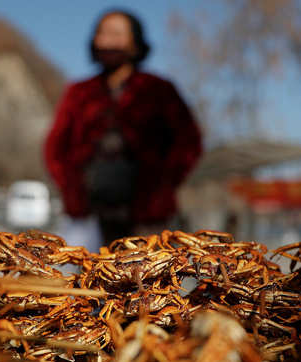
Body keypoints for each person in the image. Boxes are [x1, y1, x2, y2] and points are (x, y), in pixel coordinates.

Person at [44, 9, 202, 246]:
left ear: (135, 43)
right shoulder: (79, 92)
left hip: (148, 216)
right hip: (91, 213)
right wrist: (71, 189)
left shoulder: (159, 89)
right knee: (87, 277)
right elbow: (55, 148)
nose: (108, 41)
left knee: (149, 278)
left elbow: (189, 142)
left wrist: (162, 185)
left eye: (117, 34)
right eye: (102, 34)